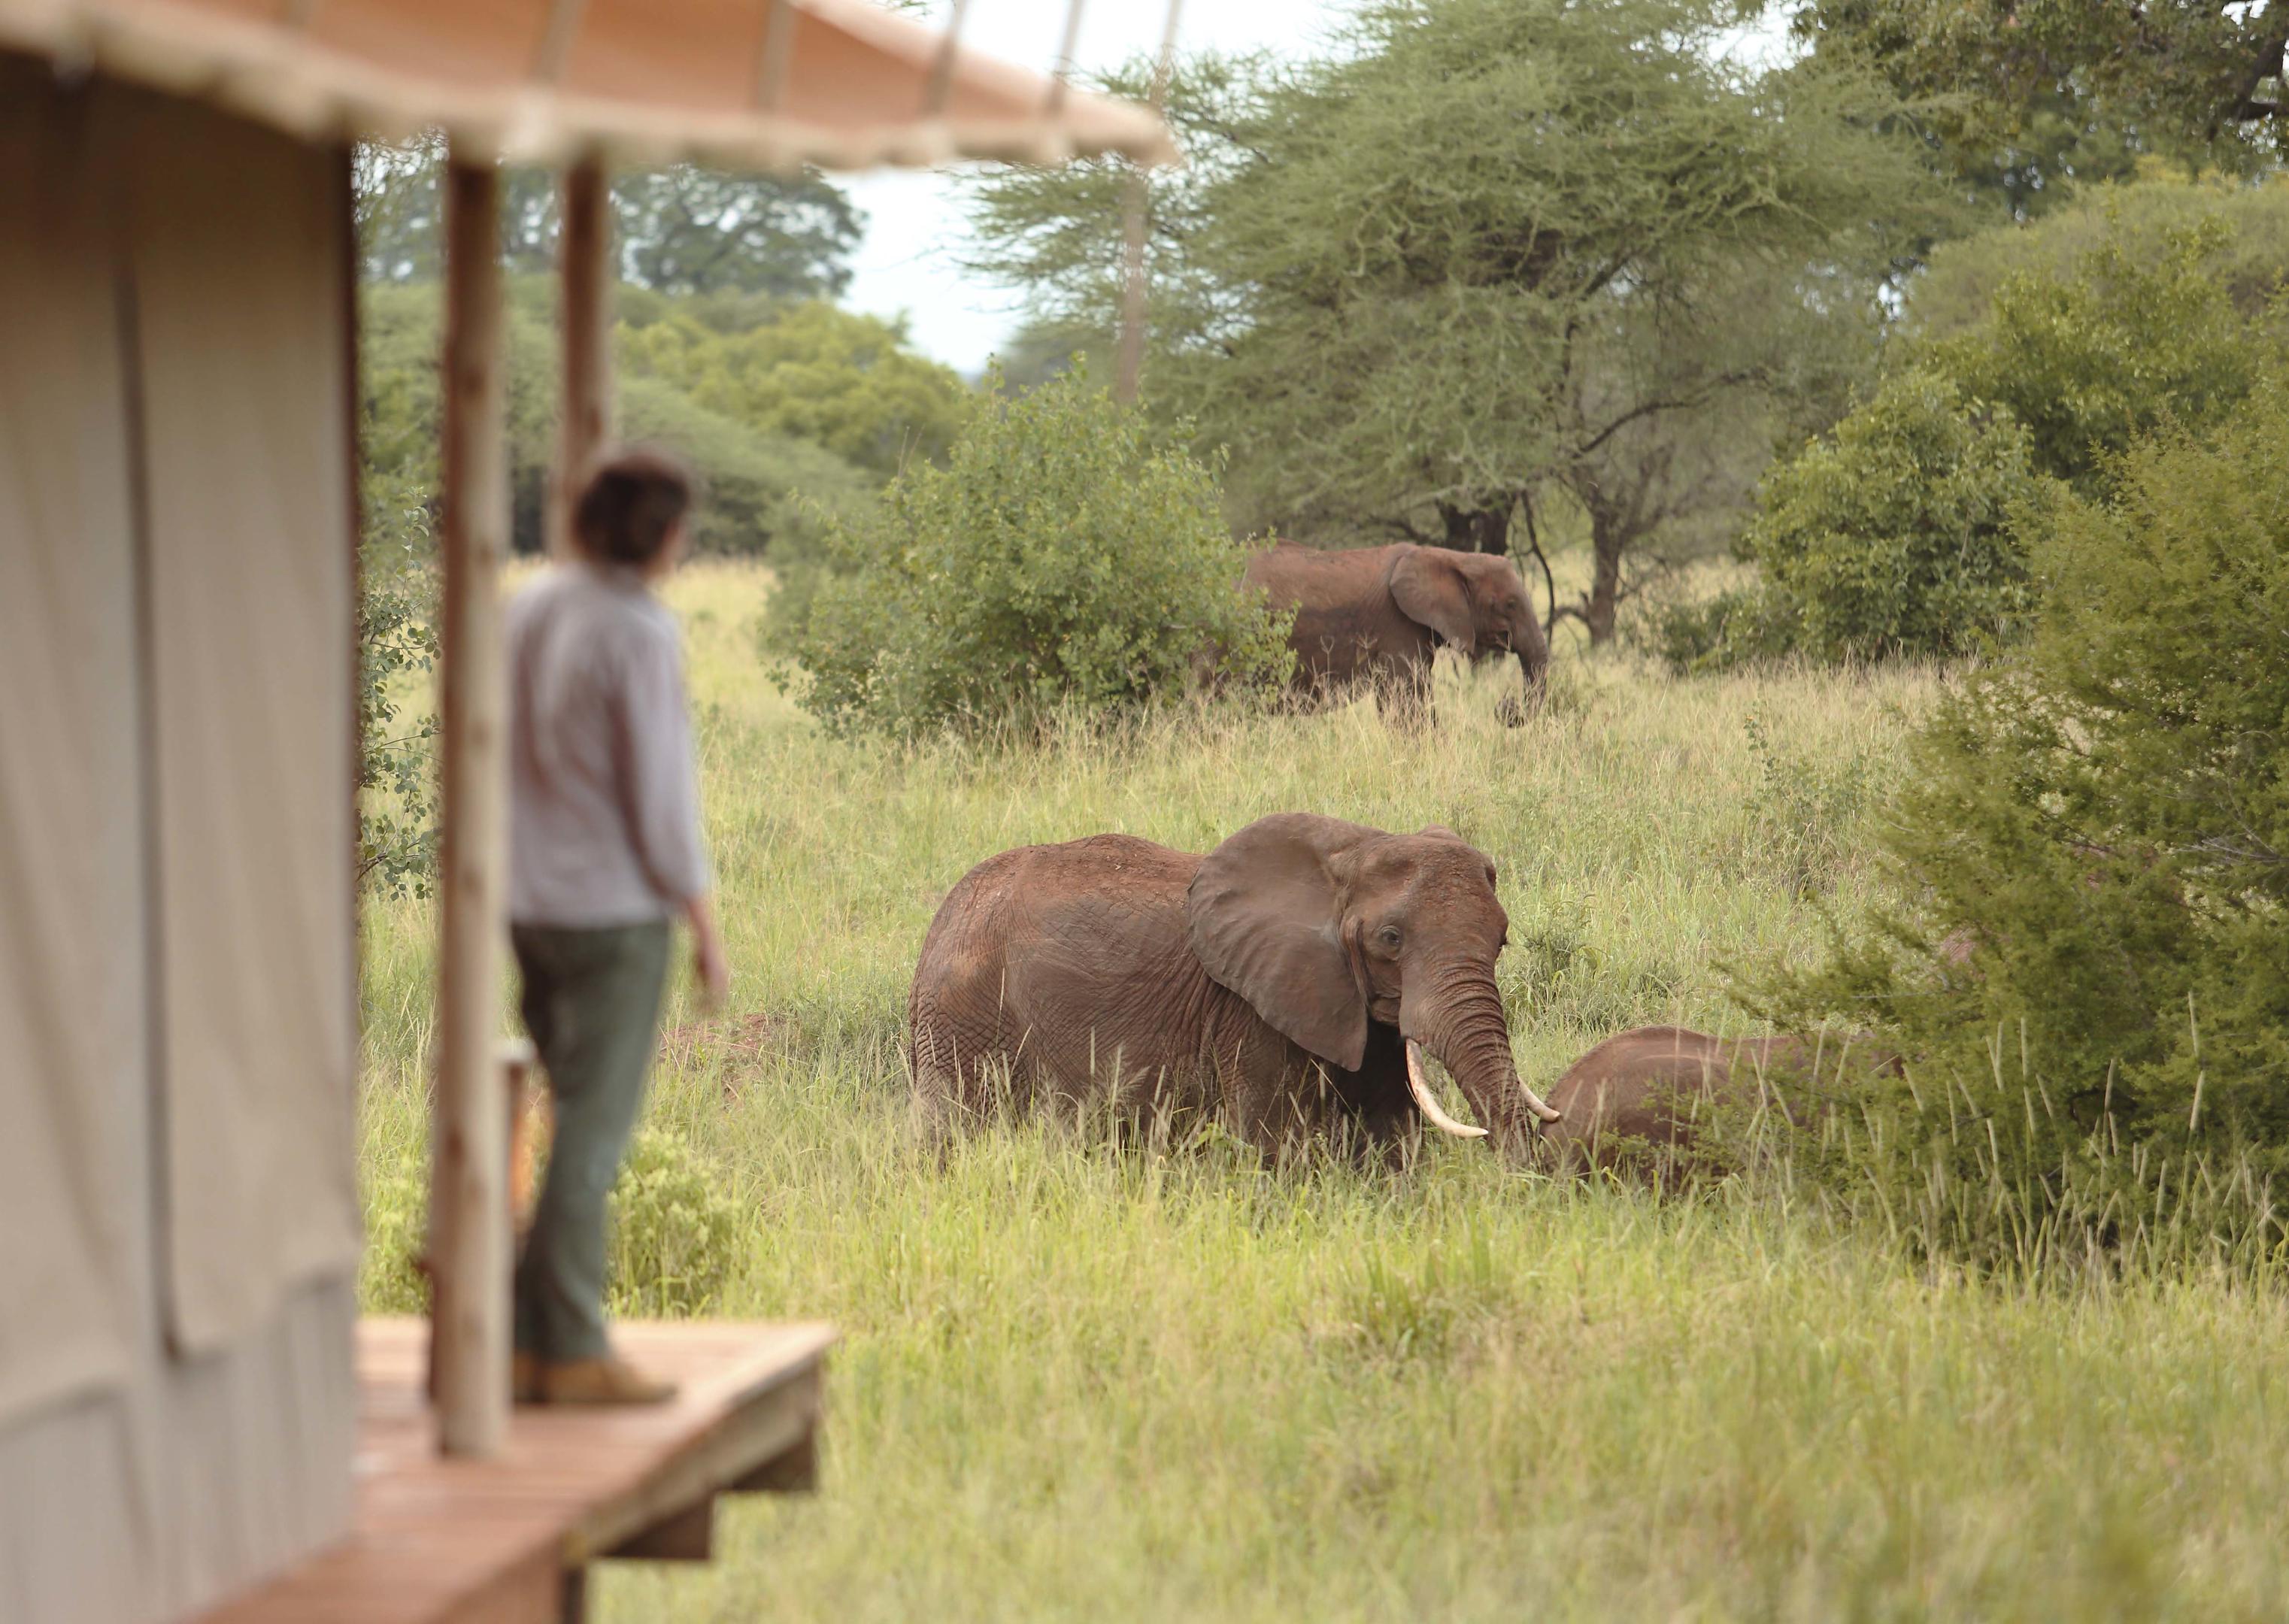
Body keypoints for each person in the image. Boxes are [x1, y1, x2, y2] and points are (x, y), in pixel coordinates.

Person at [505, 447, 729, 1406]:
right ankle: (573, 1348)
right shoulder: (639, 629)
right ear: (664, 535)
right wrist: (704, 924)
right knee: (590, 1139)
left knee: (563, 1120)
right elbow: (662, 799)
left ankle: (522, 1344)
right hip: (613, 917)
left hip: (528, 906)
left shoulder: (531, 606)